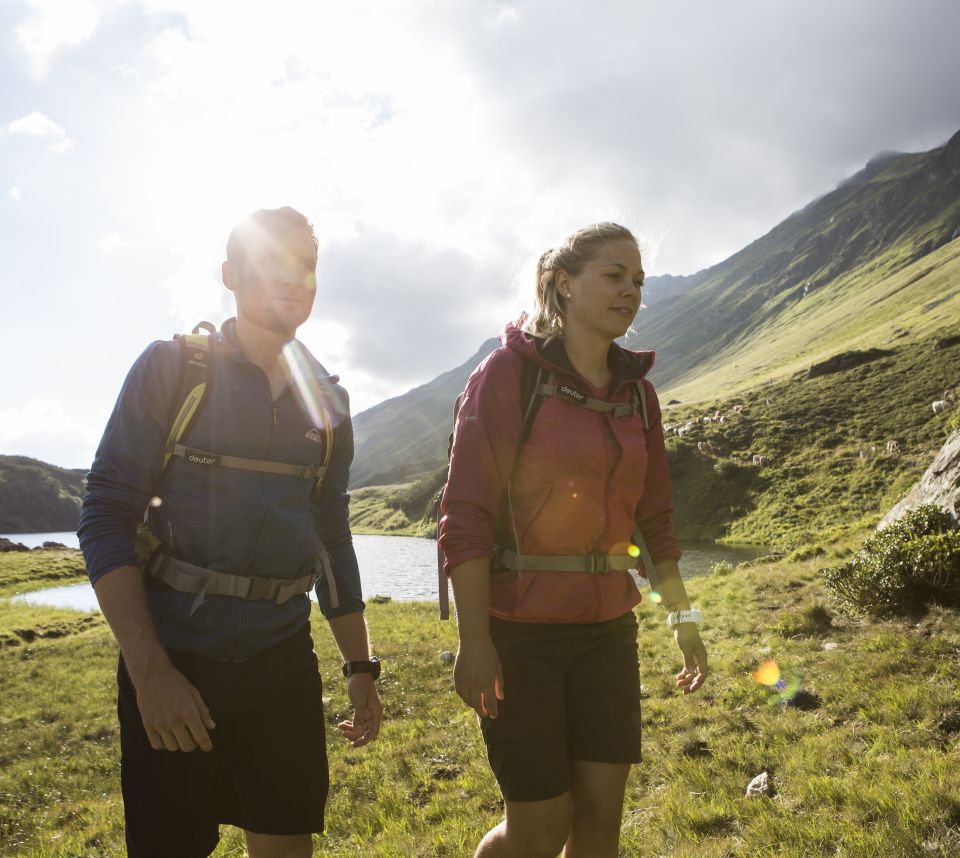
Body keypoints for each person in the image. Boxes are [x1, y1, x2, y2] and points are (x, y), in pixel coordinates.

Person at [79, 207, 382, 858]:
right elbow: (106, 513)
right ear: (230, 274)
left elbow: (331, 533)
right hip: (175, 659)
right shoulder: (174, 369)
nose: (293, 277)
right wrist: (149, 671)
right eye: (273, 261)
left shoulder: (328, 404)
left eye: (306, 264)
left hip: (281, 662)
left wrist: (359, 667)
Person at [438, 222, 708, 858]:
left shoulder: (638, 395)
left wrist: (684, 617)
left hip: (607, 632)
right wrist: (473, 640)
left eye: (637, 281)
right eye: (614, 276)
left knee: (599, 827)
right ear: (564, 283)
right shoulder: (508, 375)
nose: (630, 292)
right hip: (519, 633)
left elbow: (657, 521)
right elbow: (466, 513)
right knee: (537, 830)